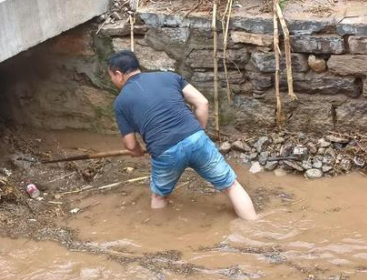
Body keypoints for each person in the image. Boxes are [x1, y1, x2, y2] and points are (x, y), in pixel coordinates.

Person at [108, 50, 258, 221]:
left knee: (159, 197)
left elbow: (129, 144)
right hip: (196, 139)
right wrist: (198, 132)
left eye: (111, 76)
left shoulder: (121, 102)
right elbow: (202, 103)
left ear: (118, 74)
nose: (113, 81)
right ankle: (255, 225)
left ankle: (161, 237)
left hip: (165, 150)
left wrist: (136, 152)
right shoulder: (169, 77)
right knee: (231, 186)